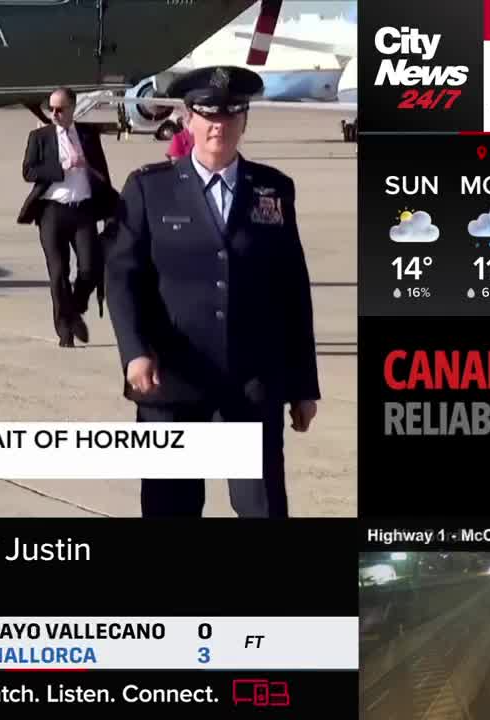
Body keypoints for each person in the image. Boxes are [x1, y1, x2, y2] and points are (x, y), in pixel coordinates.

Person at [105, 66, 320, 518]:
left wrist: (303, 385)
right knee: (171, 508)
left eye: (231, 115)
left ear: (244, 121)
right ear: (188, 120)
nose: (218, 126)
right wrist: (135, 352)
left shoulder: (274, 189)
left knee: (261, 507)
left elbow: (292, 291)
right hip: (172, 381)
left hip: (250, 383)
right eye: (207, 115)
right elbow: (123, 277)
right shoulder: (150, 188)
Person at [18, 87, 118, 347]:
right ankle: (65, 330)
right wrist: (62, 166)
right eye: (51, 108)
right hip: (52, 211)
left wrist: (88, 166)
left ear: (73, 108)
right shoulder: (40, 136)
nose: (54, 113)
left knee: (90, 268)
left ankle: (74, 308)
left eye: (60, 109)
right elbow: (28, 171)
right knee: (59, 272)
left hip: (83, 210)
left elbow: (102, 173)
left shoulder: (87, 135)